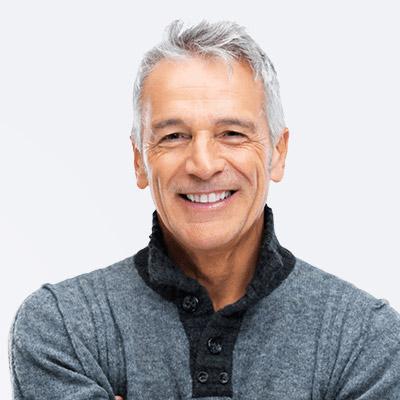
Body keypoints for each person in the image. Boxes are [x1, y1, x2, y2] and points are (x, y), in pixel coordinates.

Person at [8, 19, 400, 400]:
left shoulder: (365, 339)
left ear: (278, 153)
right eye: (174, 136)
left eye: (232, 134)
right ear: (139, 161)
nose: (203, 164)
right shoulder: (62, 327)